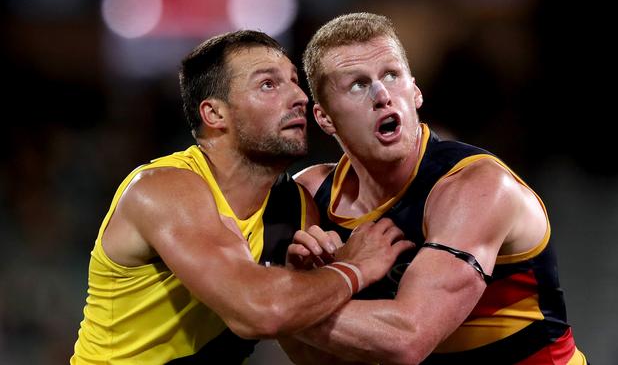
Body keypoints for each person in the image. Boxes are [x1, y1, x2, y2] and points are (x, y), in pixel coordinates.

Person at [70, 30, 413, 364]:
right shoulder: (162, 190)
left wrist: (306, 284)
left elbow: (310, 354)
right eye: (268, 84)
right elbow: (261, 311)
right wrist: (352, 269)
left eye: (294, 80)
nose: (300, 97)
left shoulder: (294, 206)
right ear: (215, 114)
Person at [284, 13, 587, 364]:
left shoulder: (477, 187)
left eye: (391, 75)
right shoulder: (310, 195)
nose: (382, 95)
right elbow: (316, 359)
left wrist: (289, 300)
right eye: (358, 84)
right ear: (324, 118)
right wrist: (303, 285)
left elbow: (408, 339)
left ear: (415, 91)